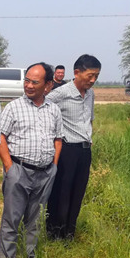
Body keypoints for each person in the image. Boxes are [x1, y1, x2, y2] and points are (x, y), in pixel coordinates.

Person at [0, 63, 63, 258]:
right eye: (26, 80)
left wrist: (53, 166)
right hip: (19, 170)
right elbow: (0, 137)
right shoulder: (13, 107)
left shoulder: (54, 110)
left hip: (45, 173)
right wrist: (9, 167)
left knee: (35, 220)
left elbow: (58, 139)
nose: (29, 85)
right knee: (12, 219)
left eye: (35, 82)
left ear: (48, 85)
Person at [46, 54, 101, 240]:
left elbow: (90, 119)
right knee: (61, 191)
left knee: (78, 191)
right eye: (90, 76)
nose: (93, 80)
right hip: (67, 150)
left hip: (85, 151)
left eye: (96, 76)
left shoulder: (91, 94)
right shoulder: (61, 93)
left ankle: (69, 231)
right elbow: (41, 107)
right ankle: (55, 232)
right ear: (77, 72)